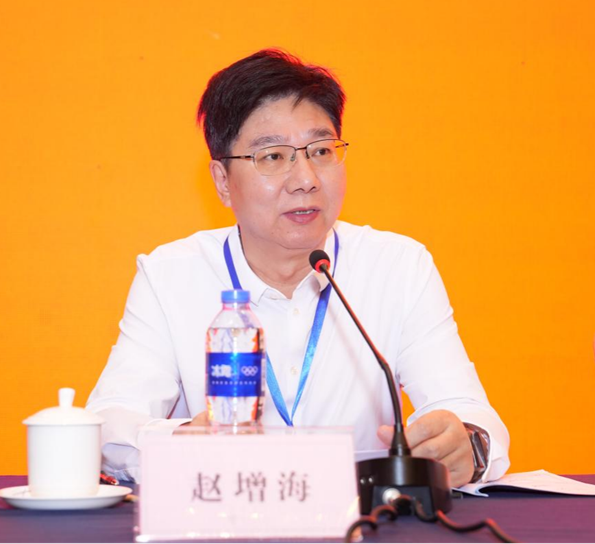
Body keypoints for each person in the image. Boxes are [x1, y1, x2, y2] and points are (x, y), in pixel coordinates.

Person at [86, 49, 510, 487]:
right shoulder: (170, 276)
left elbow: (468, 410)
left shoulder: (398, 266)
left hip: (359, 517)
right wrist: (181, 441)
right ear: (222, 181)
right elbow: (110, 422)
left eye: (321, 150)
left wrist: (468, 446)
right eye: (273, 157)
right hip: (225, 513)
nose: (306, 178)